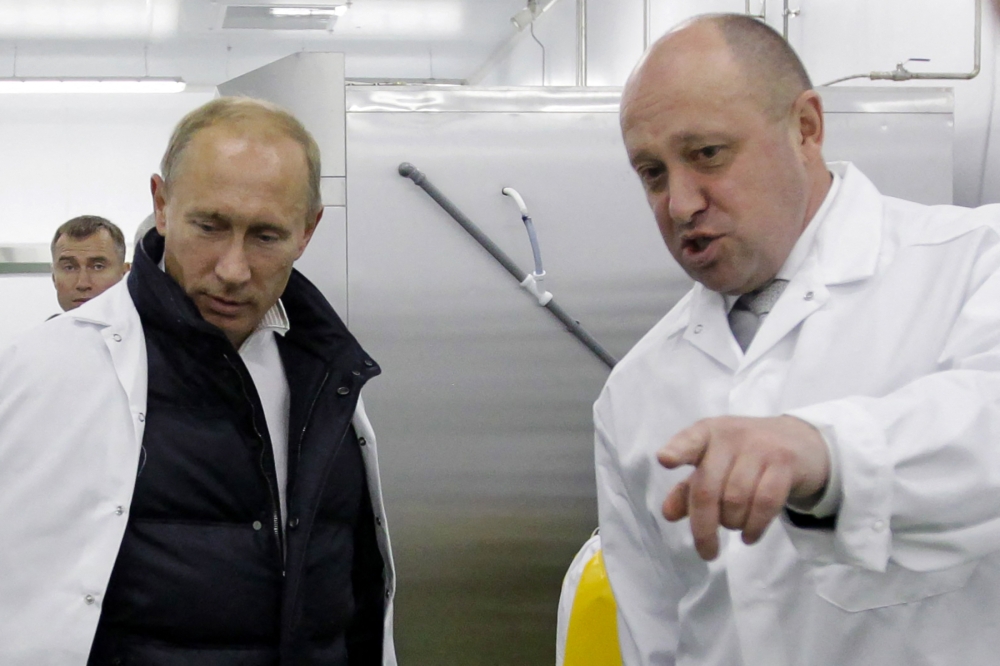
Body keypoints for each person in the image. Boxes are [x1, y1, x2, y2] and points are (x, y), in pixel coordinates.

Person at [594, 13, 1000, 665]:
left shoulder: (973, 261)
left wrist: (825, 451)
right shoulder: (633, 392)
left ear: (805, 128)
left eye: (707, 154)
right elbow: (657, 635)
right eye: (652, 172)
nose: (680, 205)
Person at [0, 97, 396, 665]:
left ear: (308, 232)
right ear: (162, 205)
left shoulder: (326, 377)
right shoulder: (44, 373)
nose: (233, 270)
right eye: (209, 227)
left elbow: (351, 597)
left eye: (266, 237)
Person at [50, 214, 128, 311]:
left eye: (98, 267)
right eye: (69, 268)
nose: (82, 284)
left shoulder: (141, 325)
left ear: (125, 274)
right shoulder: (47, 326)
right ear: (54, 277)